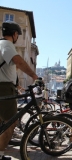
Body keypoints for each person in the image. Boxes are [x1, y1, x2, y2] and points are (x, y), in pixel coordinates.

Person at [0, 20, 38, 160]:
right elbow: (19, 62)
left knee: (2, 122)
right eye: (18, 34)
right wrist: (35, 76)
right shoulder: (7, 45)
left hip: (5, 86)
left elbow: (8, 69)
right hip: (3, 88)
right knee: (11, 122)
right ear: (15, 34)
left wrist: (16, 86)